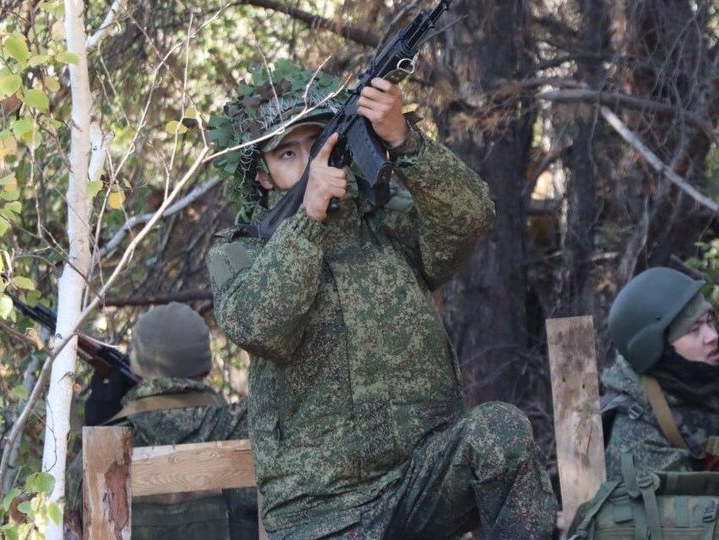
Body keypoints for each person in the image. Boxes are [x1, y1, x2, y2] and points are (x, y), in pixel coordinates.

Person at [205, 60, 556, 539]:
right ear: (263, 177)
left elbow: (470, 217)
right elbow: (258, 326)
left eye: (319, 143)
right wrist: (308, 223)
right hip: (321, 511)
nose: (311, 164)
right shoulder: (242, 249)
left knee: (500, 431)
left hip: (420, 481)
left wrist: (405, 141)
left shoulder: (387, 219)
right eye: (288, 154)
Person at [65, 302, 257, 540]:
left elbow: (66, 526)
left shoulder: (102, 454)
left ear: (136, 371)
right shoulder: (250, 430)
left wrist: (92, 435)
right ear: (206, 368)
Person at [601, 266, 719, 495]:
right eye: (694, 330)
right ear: (657, 349)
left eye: (708, 321)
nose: (712, 336)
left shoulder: (709, 387)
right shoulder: (635, 434)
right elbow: (687, 527)